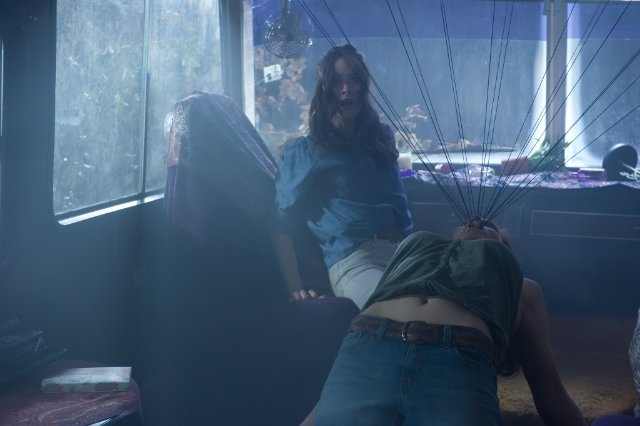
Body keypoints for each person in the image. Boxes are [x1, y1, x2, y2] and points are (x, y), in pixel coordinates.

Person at [310, 219, 587, 426]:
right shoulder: (413, 260)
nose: (477, 221)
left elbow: (551, 396)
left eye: (491, 229)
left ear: (506, 254)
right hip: (367, 348)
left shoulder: (520, 287)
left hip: (451, 367)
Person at [272, 44, 413, 309]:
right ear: (326, 90)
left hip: (406, 253)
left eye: (354, 79)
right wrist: (296, 290)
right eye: (337, 81)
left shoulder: (381, 139)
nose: (347, 88)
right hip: (356, 260)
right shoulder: (307, 151)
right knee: (405, 308)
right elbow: (281, 227)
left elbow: (400, 207)